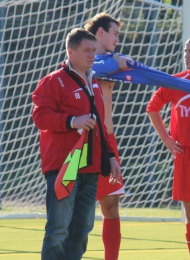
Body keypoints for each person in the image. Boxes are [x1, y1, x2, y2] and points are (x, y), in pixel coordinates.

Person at [32, 28, 121, 260]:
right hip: (65, 166)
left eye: (94, 50)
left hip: (90, 167)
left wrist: (111, 155)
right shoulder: (53, 80)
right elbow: (40, 116)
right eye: (86, 50)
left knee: (81, 232)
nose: (92, 55)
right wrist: (72, 121)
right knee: (58, 231)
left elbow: (99, 124)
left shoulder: (94, 81)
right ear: (70, 52)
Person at [147, 35, 190, 260]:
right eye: (185, 51)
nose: (186, 55)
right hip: (184, 155)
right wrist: (166, 139)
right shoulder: (177, 81)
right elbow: (152, 107)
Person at [84, 13, 126, 260]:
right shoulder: (82, 58)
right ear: (101, 32)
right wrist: (114, 63)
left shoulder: (116, 60)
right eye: (115, 33)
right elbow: (92, 69)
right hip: (80, 142)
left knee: (111, 206)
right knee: (76, 205)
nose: (118, 40)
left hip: (108, 141)